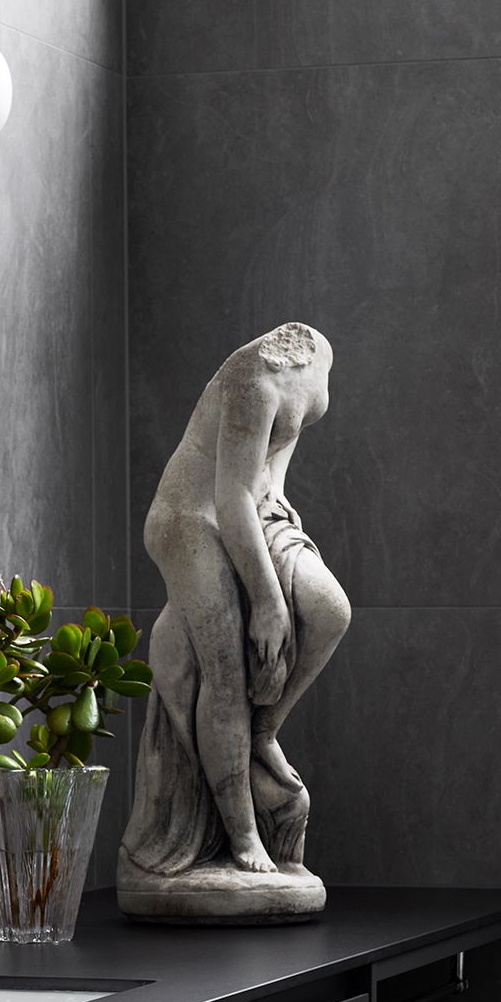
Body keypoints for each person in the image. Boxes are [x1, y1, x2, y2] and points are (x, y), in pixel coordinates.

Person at [121, 322, 350, 880]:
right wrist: (268, 604)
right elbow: (229, 494)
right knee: (225, 674)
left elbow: (267, 465)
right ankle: (244, 836)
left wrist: (280, 503)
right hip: (191, 519)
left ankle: (260, 732)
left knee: (330, 611)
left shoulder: (314, 362)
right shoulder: (256, 379)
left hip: (252, 509)